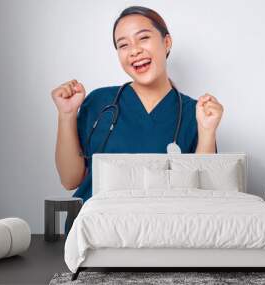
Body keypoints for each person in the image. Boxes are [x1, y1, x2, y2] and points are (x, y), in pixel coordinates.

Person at [51, 6, 224, 203]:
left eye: (143, 38)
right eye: (123, 45)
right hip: (95, 227)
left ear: (166, 42)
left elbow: (200, 194)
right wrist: (66, 115)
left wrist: (208, 131)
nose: (134, 50)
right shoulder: (99, 103)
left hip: (162, 228)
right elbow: (69, 180)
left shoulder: (196, 113)